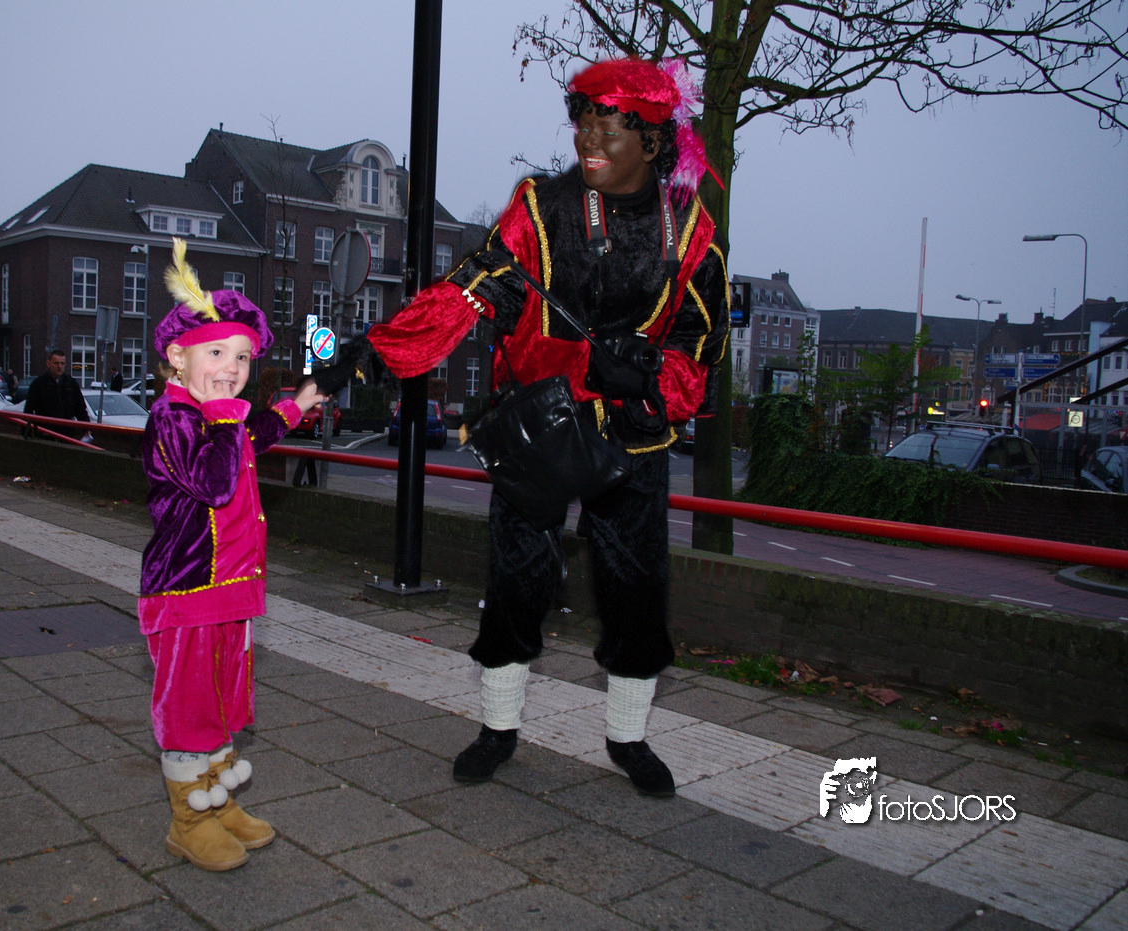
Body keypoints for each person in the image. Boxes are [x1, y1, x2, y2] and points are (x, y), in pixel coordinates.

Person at [317, 57, 729, 797]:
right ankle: (497, 728)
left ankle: (628, 738)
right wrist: (378, 349)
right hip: (538, 427)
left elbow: (701, 347)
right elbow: (471, 290)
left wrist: (648, 378)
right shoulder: (542, 209)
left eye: (609, 127)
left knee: (637, 592)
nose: (589, 139)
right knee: (516, 580)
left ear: (653, 141)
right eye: (583, 122)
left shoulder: (693, 230)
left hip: (634, 435)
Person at [140, 238, 327, 872]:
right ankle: (188, 819)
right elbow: (216, 482)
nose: (232, 367)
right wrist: (225, 417)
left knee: (222, 698)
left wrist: (294, 408)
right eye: (216, 353)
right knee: (189, 704)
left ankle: (217, 800)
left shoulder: (219, 417)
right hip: (187, 591)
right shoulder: (176, 418)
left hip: (231, 589)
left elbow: (255, 434)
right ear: (177, 357)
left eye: (243, 356)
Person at [23, 349, 90, 438]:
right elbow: (29, 409)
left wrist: (86, 428)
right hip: (45, 433)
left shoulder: (71, 384)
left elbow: (80, 408)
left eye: (62, 363)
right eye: (56, 363)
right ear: (48, 363)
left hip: (67, 433)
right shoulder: (39, 384)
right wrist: (27, 432)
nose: (59, 366)